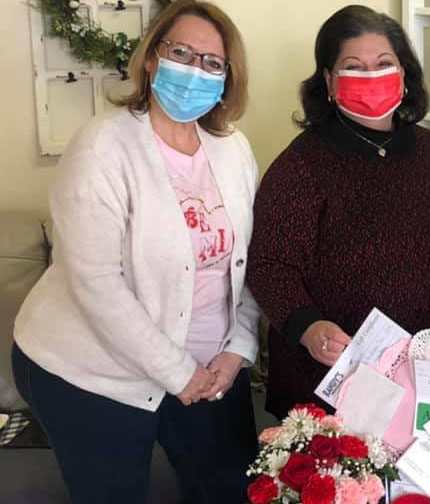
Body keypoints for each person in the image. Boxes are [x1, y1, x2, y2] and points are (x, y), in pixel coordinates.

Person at [11, 2, 260, 502]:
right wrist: (178, 372)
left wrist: (239, 347)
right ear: (151, 59)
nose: (195, 70)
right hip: (93, 371)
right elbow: (97, 284)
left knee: (234, 490)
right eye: (181, 52)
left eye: (212, 63)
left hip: (211, 367)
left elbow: (247, 261)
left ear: (227, 77)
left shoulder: (233, 149)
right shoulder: (102, 146)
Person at [246, 5, 430, 419]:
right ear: (328, 80)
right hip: (345, 383)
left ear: (405, 73)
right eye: (353, 67)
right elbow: (269, 264)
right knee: (358, 484)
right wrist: (307, 326)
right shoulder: (302, 165)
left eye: (384, 64)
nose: (371, 76)